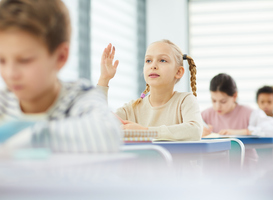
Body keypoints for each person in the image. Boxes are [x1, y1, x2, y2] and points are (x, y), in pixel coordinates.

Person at [0, 0, 121, 153]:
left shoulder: (81, 98)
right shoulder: (3, 103)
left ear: (60, 57)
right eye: (1, 60)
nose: (10, 74)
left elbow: (108, 135)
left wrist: (22, 139)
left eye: (25, 60)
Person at [97, 40, 203, 141]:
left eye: (162, 60)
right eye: (148, 61)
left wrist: (146, 132)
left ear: (178, 72)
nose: (153, 66)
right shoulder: (131, 109)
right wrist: (104, 79)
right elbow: (100, 127)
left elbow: (195, 131)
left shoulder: (185, 101)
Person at [202, 73, 273, 137]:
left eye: (223, 101)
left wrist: (244, 132)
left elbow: (270, 130)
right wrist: (198, 134)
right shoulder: (205, 115)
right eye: (214, 101)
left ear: (234, 96)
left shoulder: (250, 113)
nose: (217, 106)